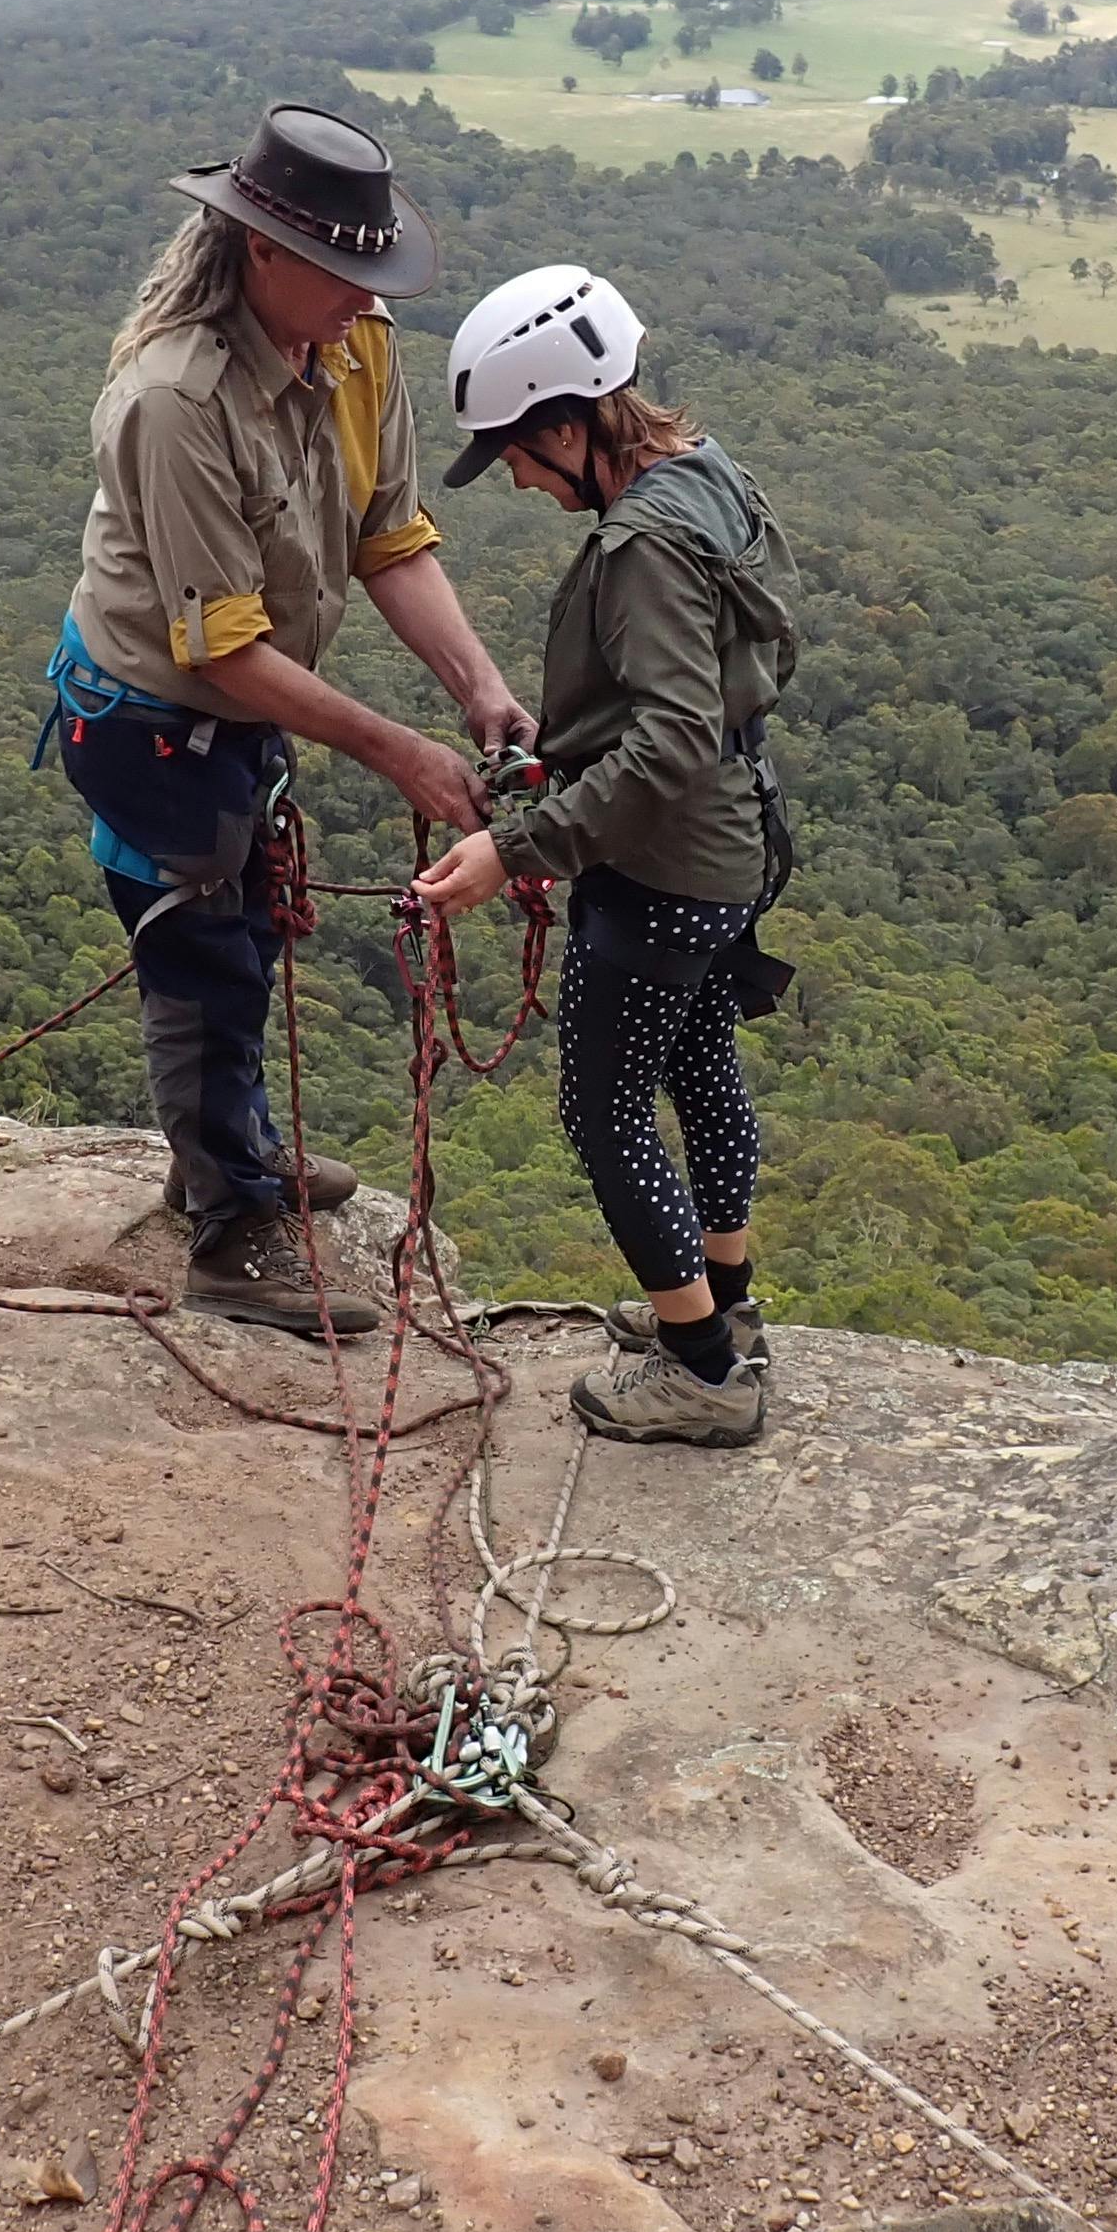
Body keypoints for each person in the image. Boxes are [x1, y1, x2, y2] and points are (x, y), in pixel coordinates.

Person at [50, 105, 529, 1336]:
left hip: (241, 699)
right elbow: (222, 644)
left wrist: (476, 691)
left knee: (249, 927)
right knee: (204, 947)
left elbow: (388, 538)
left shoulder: (354, 350)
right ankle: (229, 1233)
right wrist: (399, 752)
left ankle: (228, 1154)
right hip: (150, 711)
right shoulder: (175, 401)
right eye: (346, 275)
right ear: (264, 251)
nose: (370, 304)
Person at [411, 264, 798, 1447]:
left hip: (662, 862)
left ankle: (700, 1373)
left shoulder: (639, 544)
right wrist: (563, 754)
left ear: (571, 423)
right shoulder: (709, 478)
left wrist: (517, 844)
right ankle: (723, 1310)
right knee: (698, 1069)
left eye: (521, 453)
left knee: (605, 1105)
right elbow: (709, 699)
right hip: (733, 841)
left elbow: (670, 736)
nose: (519, 479)